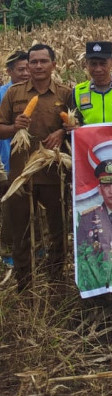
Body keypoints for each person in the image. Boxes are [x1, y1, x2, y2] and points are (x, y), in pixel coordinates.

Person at [0, 43, 72, 292]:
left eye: (43, 61)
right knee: (21, 232)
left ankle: (56, 281)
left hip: (55, 175)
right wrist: (14, 127)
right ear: (27, 65)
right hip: (21, 175)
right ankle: (25, 286)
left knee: (58, 231)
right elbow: (1, 129)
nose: (38, 66)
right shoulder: (14, 94)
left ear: (54, 64)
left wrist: (63, 132)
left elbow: (76, 129)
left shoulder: (65, 94)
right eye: (33, 62)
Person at [0, 50, 31, 267]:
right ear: (9, 71)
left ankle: (35, 250)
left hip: (33, 161)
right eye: (21, 70)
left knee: (33, 210)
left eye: (29, 68)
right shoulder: (3, 94)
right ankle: (9, 254)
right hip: (6, 163)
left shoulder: (35, 92)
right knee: (10, 211)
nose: (27, 73)